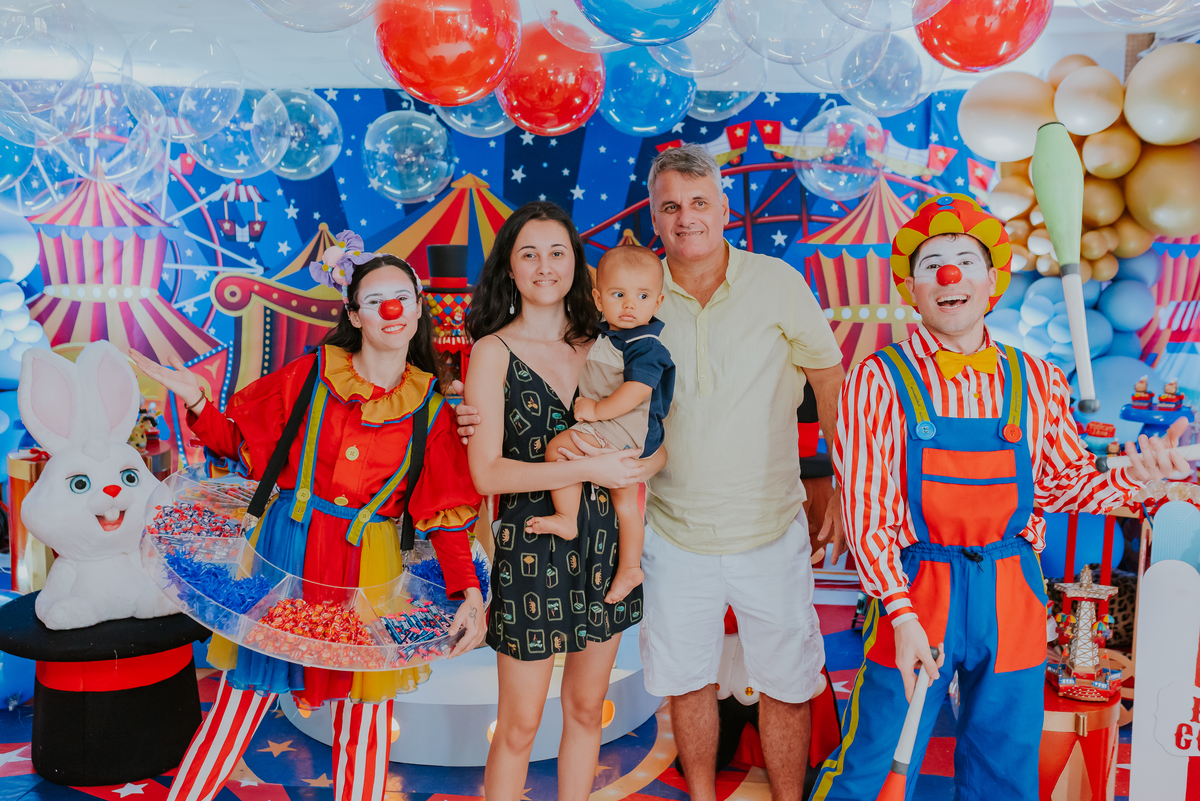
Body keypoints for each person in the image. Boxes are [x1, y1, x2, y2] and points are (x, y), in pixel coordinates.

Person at [456, 146, 848, 801]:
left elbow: (818, 380)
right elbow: (509, 440)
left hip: (696, 533)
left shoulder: (748, 290)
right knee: (579, 709)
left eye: (699, 202)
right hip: (604, 538)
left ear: (724, 207)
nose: (686, 217)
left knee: (762, 686)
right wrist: (475, 420)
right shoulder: (572, 320)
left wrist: (841, 480)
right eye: (670, 206)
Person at [813, 194, 1190, 801]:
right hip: (918, 588)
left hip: (1012, 585)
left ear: (992, 280)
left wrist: (1144, 477)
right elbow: (867, 513)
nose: (950, 275)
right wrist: (901, 614)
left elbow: (1066, 481)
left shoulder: (1037, 378)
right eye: (932, 264)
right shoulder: (876, 379)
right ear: (911, 288)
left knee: (1004, 764)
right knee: (875, 758)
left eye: (967, 261)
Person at [131, 238, 487, 801]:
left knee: (365, 715)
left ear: (419, 308)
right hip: (286, 550)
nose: (392, 309)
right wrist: (197, 402)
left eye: (402, 297)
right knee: (241, 700)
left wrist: (468, 591)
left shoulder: (436, 409)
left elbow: (444, 516)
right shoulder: (311, 374)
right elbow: (245, 449)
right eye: (375, 300)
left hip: (369, 566)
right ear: (355, 315)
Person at [461, 202, 659, 801]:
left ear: (577, 264)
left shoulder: (610, 342)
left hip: (606, 544)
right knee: (519, 724)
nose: (545, 266)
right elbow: (486, 474)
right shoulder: (493, 351)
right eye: (529, 254)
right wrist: (591, 466)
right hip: (533, 546)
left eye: (557, 252)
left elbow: (657, 434)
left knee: (586, 708)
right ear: (509, 267)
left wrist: (645, 464)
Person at [527, 244, 675, 604]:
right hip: (624, 431)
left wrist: (596, 409)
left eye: (642, 296)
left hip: (623, 427)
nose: (629, 305)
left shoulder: (645, 345)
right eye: (618, 295)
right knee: (626, 504)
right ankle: (630, 568)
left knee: (559, 449)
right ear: (598, 298)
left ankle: (567, 516)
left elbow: (637, 391)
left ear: (657, 302)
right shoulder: (608, 336)